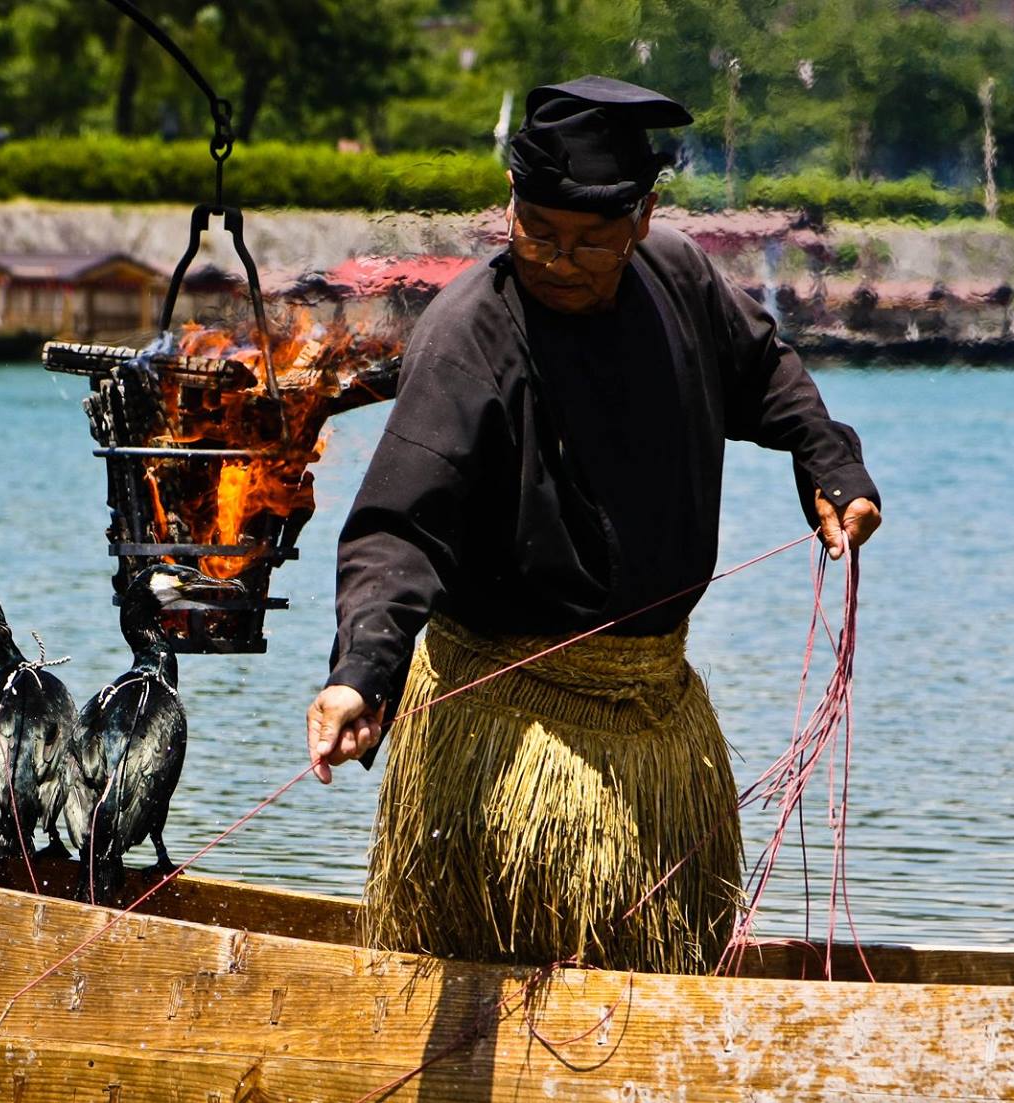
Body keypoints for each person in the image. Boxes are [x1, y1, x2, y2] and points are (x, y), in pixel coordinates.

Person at [305, 75, 882, 974]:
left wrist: (829, 463)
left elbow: (764, 371)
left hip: (654, 722)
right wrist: (360, 675)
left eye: (588, 240)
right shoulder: (468, 334)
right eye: (536, 230)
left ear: (642, 219)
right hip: (510, 732)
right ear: (510, 205)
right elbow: (399, 528)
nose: (556, 258)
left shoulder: (679, 276)